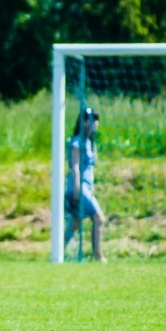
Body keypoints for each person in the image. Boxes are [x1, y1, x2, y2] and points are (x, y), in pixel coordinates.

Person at [64, 107, 107, 262]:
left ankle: (59, 251)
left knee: (75, 221)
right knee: (98, 218)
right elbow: (75, 167)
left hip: (86, 187)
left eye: (96, 120)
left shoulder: (90, 142)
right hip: (78, 187)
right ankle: (98, 255)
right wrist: (77, 188)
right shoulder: (77, 143)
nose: (94, 123)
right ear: (83, 122)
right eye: (90, 119)